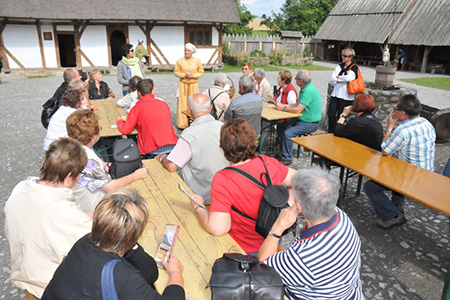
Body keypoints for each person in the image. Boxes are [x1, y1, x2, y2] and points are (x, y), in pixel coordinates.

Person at [41, 188, 185, 300]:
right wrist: (175, 273)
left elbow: (150, 274)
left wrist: (131, 244)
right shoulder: (122, 276)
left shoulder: (86, 242)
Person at [190, 118, 296, 255]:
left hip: (244, 250)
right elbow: (301, 181)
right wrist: (288, 206)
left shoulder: (224, 179)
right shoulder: (267, 162)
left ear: (223, 148)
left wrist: (199, 208)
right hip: (274, 239)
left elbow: (218, 228)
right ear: (253, 141)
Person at [5, 138, 92, 299]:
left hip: (25, 274)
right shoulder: (71, 217)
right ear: (68, 177)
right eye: (81, 174)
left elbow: (44, 218)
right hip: (52, 288)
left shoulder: (20, 189)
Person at [258, 168, 363, 300]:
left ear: (299, 206)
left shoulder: (302, 257)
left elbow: (263, 265)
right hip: (348, 293)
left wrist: (277, 228)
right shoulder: (341, 216)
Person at [364, 95, 436, 229]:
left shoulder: (402, 130)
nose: (393, 112)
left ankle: (393, 215)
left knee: (370, 187)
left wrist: (390, 127)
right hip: (427, 173)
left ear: (402, 113)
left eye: (395, 109)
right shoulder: (427, 123)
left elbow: (385, 150)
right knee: (394, 168)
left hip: (412, 179)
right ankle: (397, 205)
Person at [67, 109, 148, 211]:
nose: (100, 129)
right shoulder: (86, 160)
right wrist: (136, 175)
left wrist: (130, 166)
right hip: (94, 207)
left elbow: (103, 166)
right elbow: (111, 187)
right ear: (92, 138)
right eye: (99, 128)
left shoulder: (75, 147)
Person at [156, 93, 229, 204]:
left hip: (201, 195)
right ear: (210, 109)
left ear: (188, 110)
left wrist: (162, 157)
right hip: (225, 190)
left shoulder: (189, 135)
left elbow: (171, 166)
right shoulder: (224, 128)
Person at [117, 79, 178, 156]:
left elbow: (125, 130)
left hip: (152, 147)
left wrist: (119, 121)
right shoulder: (163, 103)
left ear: (139, 93)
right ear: (152, 90)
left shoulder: (137, 107)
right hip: (171, 143)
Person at [275, 70, 322, 165]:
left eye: (296, 79)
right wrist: (284, 106)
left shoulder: (308, 91)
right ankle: (283, 151)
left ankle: (287, 157)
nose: (295, 80)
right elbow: (297, 104)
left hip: (310, 123)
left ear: (301, 81)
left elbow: (297, 110)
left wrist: (283, 108)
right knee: (282, 124)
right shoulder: (305, 88)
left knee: (288, 133)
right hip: (302, 118)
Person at [174, 43, 204, 129]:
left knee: (193, 104)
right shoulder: (180, 60)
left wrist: (193, 76)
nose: (186, 52)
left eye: (188, 51)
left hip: (193, 85)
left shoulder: (197, 61)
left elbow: (201, 73)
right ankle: (182, 123)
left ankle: (194, 122)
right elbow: (176, 72)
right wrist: (184, 75)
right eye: (185, 50)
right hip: (183, 85)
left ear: (192, 52)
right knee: (182, 104)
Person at [328, 48, 358, 133]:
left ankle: (337, 132)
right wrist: (341, 79)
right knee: (331, 113)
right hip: (336, 94)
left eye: (345, 56)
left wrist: (339, 78)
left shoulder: (354, 67)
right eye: (342, 55)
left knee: (341, 116)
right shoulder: (339, 66)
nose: (343, 57)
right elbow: (332, 79)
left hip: (346, 96)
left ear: (350, 57)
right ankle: (331, 131)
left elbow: (349, 78)